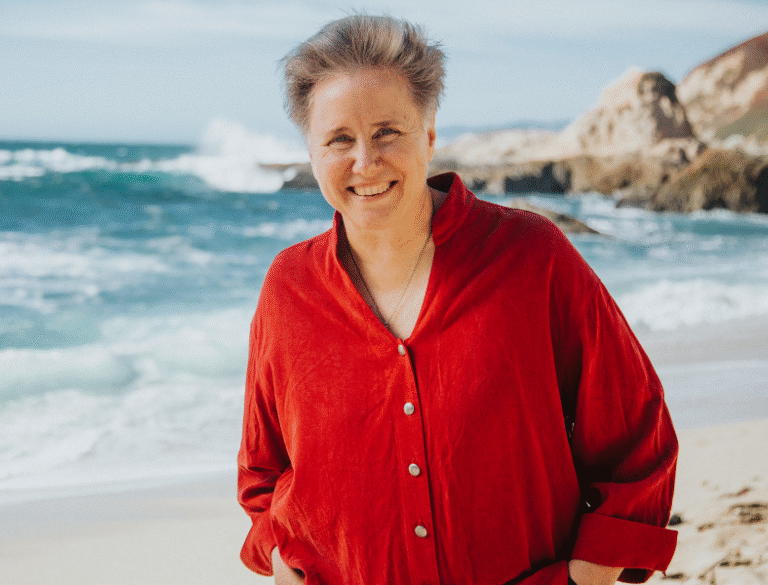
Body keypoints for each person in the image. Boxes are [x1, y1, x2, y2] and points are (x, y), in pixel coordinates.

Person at [237, 14, 678, 585]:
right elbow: (262, 470)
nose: (365, 162)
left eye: (387, 132)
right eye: (339, 139)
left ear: (429, 134)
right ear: (312, 152)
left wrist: (584, 576)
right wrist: (278, 555)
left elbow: (636, 431)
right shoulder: (288, 286)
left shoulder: (532, 256)